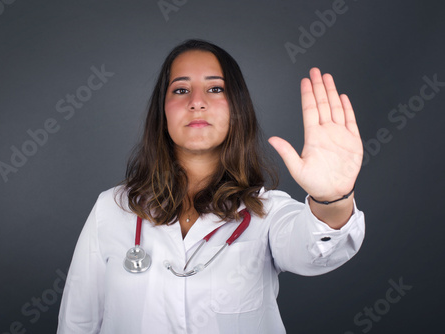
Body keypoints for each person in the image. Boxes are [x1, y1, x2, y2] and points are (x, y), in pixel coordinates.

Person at [56, 39, 365, 334]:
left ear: (236, 108)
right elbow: (78, 322)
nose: (197, 102)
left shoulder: (267, 214)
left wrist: (332, 198)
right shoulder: (112, 208)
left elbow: (317, 250)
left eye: (215, 88)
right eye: (181, 90)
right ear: (163, 112)